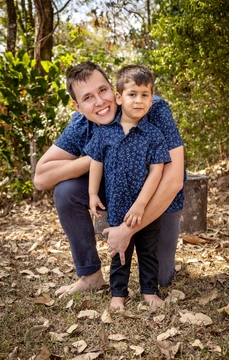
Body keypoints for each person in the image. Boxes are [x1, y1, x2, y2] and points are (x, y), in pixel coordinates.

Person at [34, 61, 184, 298]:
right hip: (115, 195)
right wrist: (98, 156)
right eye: (88, 98)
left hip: (158, 199)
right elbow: (41, 178)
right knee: (66, 191)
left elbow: (174, 180)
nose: (100, 102)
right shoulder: (81, 123)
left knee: (161, 279)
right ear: (78, 106)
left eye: (102, 90)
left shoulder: (153, 109)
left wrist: (126, 230)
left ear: (114, 91)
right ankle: (90, 275)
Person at [85, 65, 171, 309]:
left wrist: (141, 205)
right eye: (132, 94)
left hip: (146, 207)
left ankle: (149, 292)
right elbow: (96, 162)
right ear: (119, 98)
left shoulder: (153, 135)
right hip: (118, 205)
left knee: (147, 252)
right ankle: (118, 294)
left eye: (145, 95)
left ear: (151, 99)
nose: (139, 100)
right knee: (119, 253)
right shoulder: (105, 133)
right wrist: (92, 193)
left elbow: (157, 172)